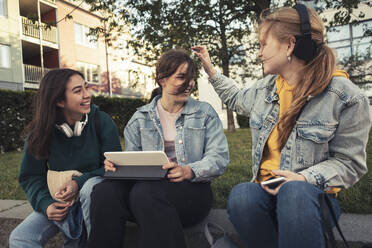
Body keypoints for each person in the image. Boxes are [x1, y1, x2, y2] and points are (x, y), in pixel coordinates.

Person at [193, 4, 371, 248]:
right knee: (242, 194)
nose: (259, 53)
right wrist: (211, 70)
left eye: (263, 44)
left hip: (312, 199)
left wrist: (304, 178)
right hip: (266, 194)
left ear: (289, 45)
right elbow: (235, 97)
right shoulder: (265, 89)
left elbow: (350, 164)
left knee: (294, 192)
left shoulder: (346, 97)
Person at [88, 49, 229, 248]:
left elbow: (219, 158)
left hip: (191, 193)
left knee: (145, 192)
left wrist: (188, 170)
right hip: (145, 195)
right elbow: (133, 160)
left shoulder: (204, 113)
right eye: (181, 77)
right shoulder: (140, 118)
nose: (189, 84)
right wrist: (117, 166)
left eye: (191, 78)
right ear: (162, 79)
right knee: (104, 191)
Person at [9, 69, 122, 247]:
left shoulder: (102, 121)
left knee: (89, 188)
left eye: (86, 87)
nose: (87, 95)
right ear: (59, 101)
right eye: (78, 91)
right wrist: (46, 204)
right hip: (60, 204)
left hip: (95, 200)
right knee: (20, 238)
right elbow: (30, 176)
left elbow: (116, 166)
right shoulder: (39, 132)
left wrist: (79, 182)